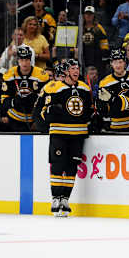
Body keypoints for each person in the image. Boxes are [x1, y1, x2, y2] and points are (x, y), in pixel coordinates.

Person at [37, 59, 93, 217]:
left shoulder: (83, 87)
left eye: (77, 68)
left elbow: (88, 110)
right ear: (66, 71)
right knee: (57, 165)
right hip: (59, 133)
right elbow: (43, 111)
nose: (76, 71)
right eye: (73, 68)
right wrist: (51, 112)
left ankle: (65, 199)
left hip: (78, 134)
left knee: (71, 167)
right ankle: (55, 198)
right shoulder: (54, 87)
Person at [0, 46, 50, 132]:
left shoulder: (41, 75)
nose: (24, 63)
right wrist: (14, 101)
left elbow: (47, 100)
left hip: (34, 119)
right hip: (14, 118)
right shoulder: (9, 74)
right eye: (22, 60)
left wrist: (38, 119)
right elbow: (3, 100)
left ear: (31, 60)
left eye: (27, 60)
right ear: (18, 60)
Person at [97, 49, 129, 131]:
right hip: (117, 126)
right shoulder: (105, 83)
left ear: (125, 63)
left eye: (120, 62)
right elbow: (104, 108)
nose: (118, 65)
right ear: (111, 64)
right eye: (115, 62)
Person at [82, 6, 109, 76]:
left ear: (94, 16)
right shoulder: (80, 28)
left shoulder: (99, 28)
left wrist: (104, 52)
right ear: (84, 15)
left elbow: (104, 42)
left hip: (96, 58)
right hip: (83, 57)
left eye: (90, 14)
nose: (88, 16)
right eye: (86, 14)